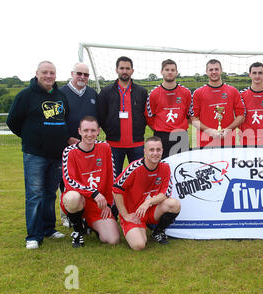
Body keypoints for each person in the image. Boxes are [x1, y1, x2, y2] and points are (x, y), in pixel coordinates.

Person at [6, 61, 69, 249]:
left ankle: (49, 229)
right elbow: (12, 122)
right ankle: (34, 235)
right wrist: (31, 138)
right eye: (45, 72)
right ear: (37, 73)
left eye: (52, 72)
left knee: (50, 194)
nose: (48, 76)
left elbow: (64, 119)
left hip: (57, 155)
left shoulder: (60, 96)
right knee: (35, 194)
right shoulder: (25, 95)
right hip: (35, 155)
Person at [61, 116, 120, 248]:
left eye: (93, 130)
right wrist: (93, 192)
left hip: (99, 204)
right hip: (80, 200)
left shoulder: (105, 147)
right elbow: (69, 181)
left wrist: (109, 204)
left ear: (98, 131)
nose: (89, 134)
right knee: (72, 197)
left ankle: (90, 224)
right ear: (79, 131)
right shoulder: (69, 151)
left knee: (113, 239)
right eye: (85, 130)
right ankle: (78, 230)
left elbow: (112, 177)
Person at [113, 136, 181, 250]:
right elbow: (116, 189)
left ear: (162, 151)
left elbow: (165, 194)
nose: (155, 153)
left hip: (151, 210)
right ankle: (135, 226)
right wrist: (125, 215)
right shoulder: (134, 168)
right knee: (139, 245)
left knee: (174, 204)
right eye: (151, 150)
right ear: (145, 151)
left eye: (158, 150)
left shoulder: (165, 167)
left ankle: (157, 232)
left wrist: (148, 202)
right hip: (134, 214)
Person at [59, 62, 98, 227]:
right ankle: (67, 213)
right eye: (79, 74)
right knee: (66, 179)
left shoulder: (92, 93)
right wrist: (68, 138)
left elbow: (97, 118)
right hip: (67, 144)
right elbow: (56, 120)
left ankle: (85, 214)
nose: (82, 77)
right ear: (72, 73)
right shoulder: (60, 93)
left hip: (88, 145)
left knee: (87, 177)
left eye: (86, 75)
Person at [97, 56, 149, 177]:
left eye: (127, 68)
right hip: (113, 144)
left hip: (137, 144)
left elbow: (145, 115)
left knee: (138, 177)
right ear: (116, 70)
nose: (124, 71)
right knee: (113, 178)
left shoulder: (141, 91)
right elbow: (101, 115)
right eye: (122, 68)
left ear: (132, 70)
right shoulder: (106, 91)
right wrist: (111, 130)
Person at [190, 59, 246, 147]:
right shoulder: (198, 93)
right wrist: (209, 131)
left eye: (216, 69)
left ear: (221, 70)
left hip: (228, 140)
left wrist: (228, 129)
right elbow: (194, 119)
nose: (214, 72)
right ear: (207, 72)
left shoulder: (233, 91)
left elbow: (241, 116)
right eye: (211, 70)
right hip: (205, 142)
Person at [147, 59, 191, 159]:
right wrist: (162, 128)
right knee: (161, 167)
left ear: (176, 72)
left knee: (182, 166)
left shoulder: (186, 92)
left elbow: (189, 115)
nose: (170, 72)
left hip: (181, 136)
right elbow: (149, 117)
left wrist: (179, 126)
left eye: (172, 70)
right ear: (161, 71)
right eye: (167, 69)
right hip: (161, 136)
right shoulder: (154, 94)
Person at [239, 62, 263, 146]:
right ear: (249, 74)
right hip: (246, 139)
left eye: (260, 73)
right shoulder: (241, 95)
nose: (257, 76)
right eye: (254, 73)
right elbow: (239, 117)